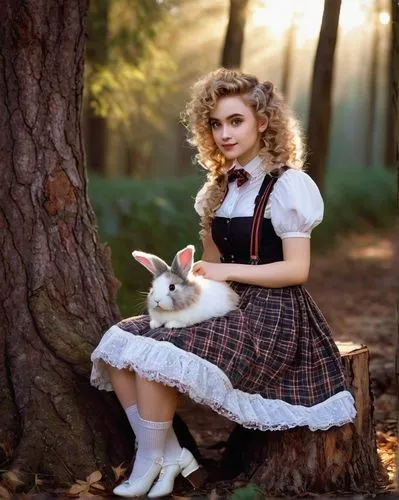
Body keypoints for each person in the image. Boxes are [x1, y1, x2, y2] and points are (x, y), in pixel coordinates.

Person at [90, 68, 356, 498]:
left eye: (236, 121)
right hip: (226, 305)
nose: (225, 133)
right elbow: (212, 267)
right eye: (216, 123)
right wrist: (194, 280)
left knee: (159, 352)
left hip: (274, 316)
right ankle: (163, 453)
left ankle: (151, 462)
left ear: (262, 123)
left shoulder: (289, 185)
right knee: (122, 341)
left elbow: (296, 271)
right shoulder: (217, 190)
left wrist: (227, 272)